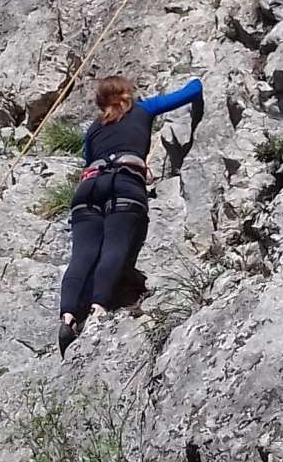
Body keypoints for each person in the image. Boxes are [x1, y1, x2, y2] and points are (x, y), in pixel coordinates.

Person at [58, 75, 204, 357]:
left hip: (88, 188)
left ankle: (68, 317)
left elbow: (88, 158)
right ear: (127, 93)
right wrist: (199, 80)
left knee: (82, 256)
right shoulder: (144, 109)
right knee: (116, 246)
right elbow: (192, 91)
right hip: (125, 183)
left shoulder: (93, 129)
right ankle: (98, 309)